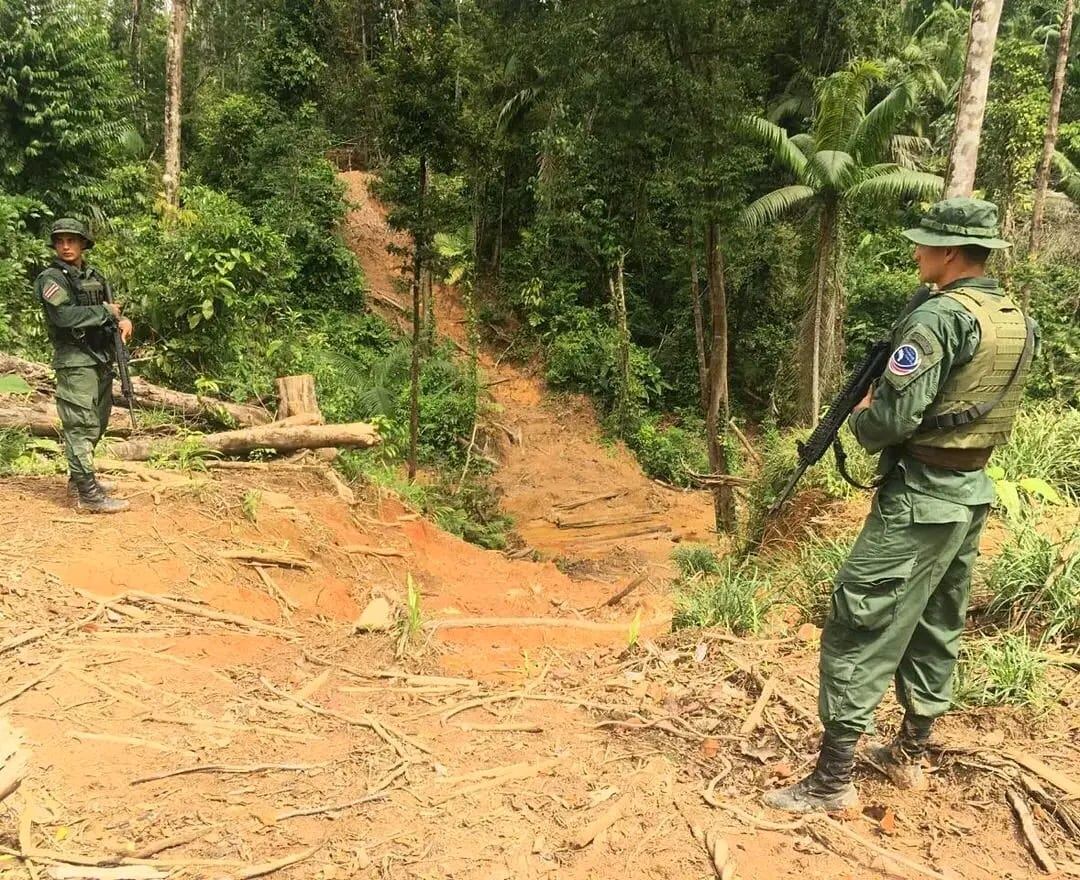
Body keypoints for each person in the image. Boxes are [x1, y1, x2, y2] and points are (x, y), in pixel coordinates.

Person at [764, 197, 1036, 813]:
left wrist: (864, 420)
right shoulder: (1014, 316)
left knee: (860, 620)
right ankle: (912, 751)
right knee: (937, 621)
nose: (916, 252)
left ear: (948, 252)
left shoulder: (937, 320)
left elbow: (894, 419)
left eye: (923, 244)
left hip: (921, 499)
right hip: (971, 494)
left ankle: (832, 781)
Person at [36, 218, 134, 513]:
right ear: (55, 245)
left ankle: (78, 481)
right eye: (60, 241)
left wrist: (123, 320)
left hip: (100, 358)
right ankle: (88, 497)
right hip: (75, 361)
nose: (66, 246)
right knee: (80, 425)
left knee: (98, 423)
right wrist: (105, 312)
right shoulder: (50, 279)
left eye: (72, 240)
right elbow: (64, 317)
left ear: (82, 244)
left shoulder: (95, 276)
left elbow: (112, 313)